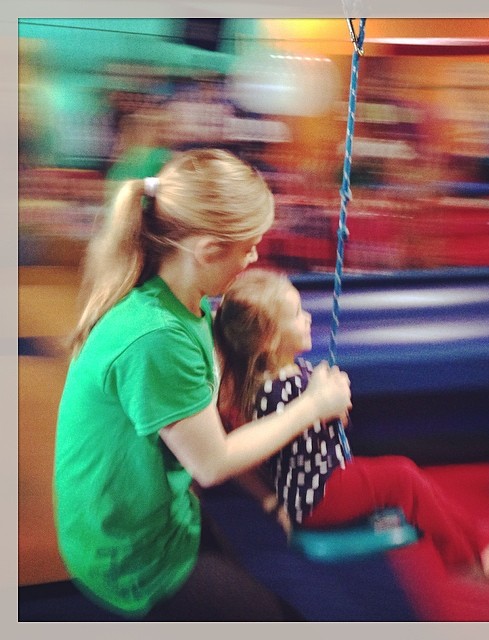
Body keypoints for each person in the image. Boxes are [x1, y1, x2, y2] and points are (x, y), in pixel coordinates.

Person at [53, 148, 352, 621]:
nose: (254, 257)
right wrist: (313, 405)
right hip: (127, 554)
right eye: (248, 246)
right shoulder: (156, 337)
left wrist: (268, 495)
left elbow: (210, 420)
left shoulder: (186, 303)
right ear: (208, 251)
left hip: (163, 515)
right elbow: (211, 462)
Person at [213, 268, 489, 585]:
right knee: (404, 478)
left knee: (418, 484)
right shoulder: (275, 390)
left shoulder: (291, 372)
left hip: (325, 482)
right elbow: (290, 443)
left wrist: (330, 409)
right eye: (297, 314)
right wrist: (322, 405)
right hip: (319, 497)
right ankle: (468, 559)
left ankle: (485, 545)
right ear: (270, 340)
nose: (308, 317)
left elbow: (311, 431)